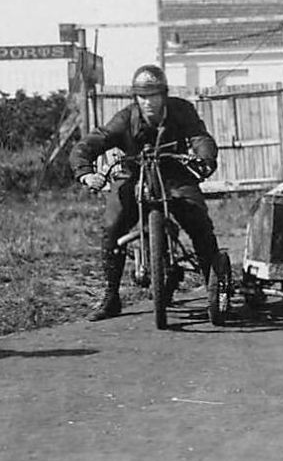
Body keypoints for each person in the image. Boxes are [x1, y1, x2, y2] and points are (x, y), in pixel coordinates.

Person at [71, 63, 220, 321]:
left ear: (164, 94)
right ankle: (111, 295)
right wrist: (85, 172)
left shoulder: (181, 111)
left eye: (153, 95)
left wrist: (205, 159)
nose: (148, 102)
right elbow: (88, 145)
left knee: (199, 222)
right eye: (143, 96)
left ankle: (214, 289)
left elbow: (200, 137)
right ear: (135, 98)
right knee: (112, 225)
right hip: (134, 174)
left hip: (174, 172)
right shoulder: (124, 120)